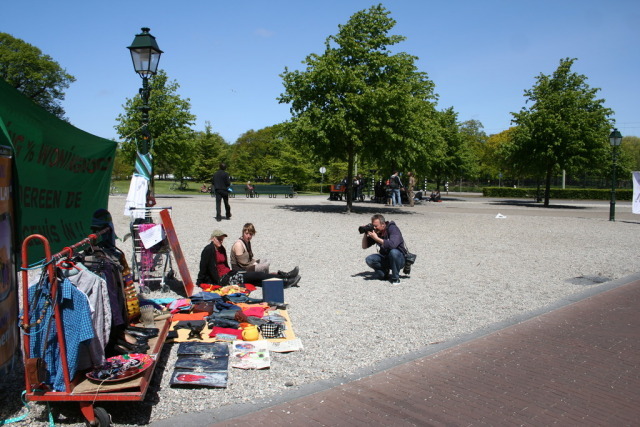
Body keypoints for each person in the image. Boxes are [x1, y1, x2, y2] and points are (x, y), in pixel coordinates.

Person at [196, 229, 300, 288]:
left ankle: (285, 278)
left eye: (222, 239)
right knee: (257, 275)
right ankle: (286, 281)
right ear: (212, 238)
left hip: (230, 274)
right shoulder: (208, 250)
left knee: (257, 280)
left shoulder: (221, 248)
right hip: (224, 279)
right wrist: (200, 282)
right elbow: (203, 267)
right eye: (218, 239)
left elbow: (225, 265)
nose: (220, 241)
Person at [361, 214, 407, 285]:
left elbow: (392, 245)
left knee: (393, 252)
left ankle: (395, 278)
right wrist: (365, 233)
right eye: (373, 226)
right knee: (369, 259)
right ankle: (384, 273)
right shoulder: (377, 232)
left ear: (383, 224)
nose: (374, 228)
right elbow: (364, 246)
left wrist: (376, 238)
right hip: (386, 257)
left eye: (376, 226)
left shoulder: (393, 229)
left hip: (399, 259)